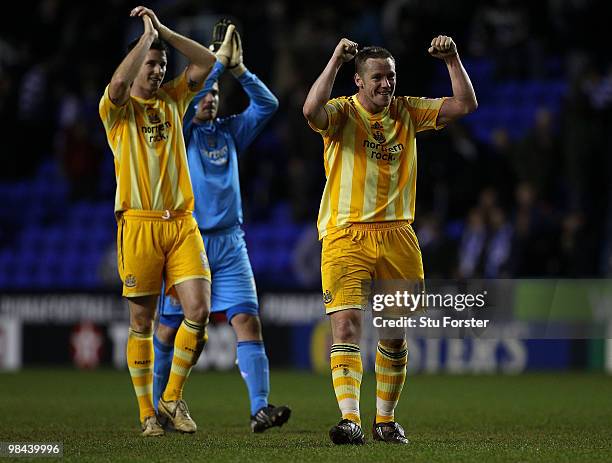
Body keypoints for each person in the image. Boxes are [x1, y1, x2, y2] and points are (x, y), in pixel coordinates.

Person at [302, 36, 477, 444]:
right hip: (346, 234)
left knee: (393, 334)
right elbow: (310, 109)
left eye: (391, 77)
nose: (386, 84)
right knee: (345, 325)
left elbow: (465, 104)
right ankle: (350, 420)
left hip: (398, 235)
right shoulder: (342, 113)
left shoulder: (407, 111)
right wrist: (333, 61)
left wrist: (452, 59)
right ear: (359, 82)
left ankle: (384, 421)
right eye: (377, 77)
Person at [153, 23, 291, 433]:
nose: (210, 98)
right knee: (168, 328)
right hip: (188, 241)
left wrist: (240, 70)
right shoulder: (182, 130)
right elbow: (191, 91)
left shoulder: (229, 132)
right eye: (204, 93)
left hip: (231, 243)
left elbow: (268, 106)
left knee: (248, 320)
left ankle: (259, 409)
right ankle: (158, 406)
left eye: (215, 95)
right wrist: (215, 65)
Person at [99, 6, 230, 436]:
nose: (158, 70)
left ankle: (171, 398)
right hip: (139, 224)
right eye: (151, 64)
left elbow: (208, 63)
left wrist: (163, 32)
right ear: (137, 62)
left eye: (161, 65)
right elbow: (119, 83)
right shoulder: (116, 111)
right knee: (141, 323)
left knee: (200, 309)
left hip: (182, 223)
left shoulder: (175, 97)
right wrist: (144, 39)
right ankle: (146, 415)